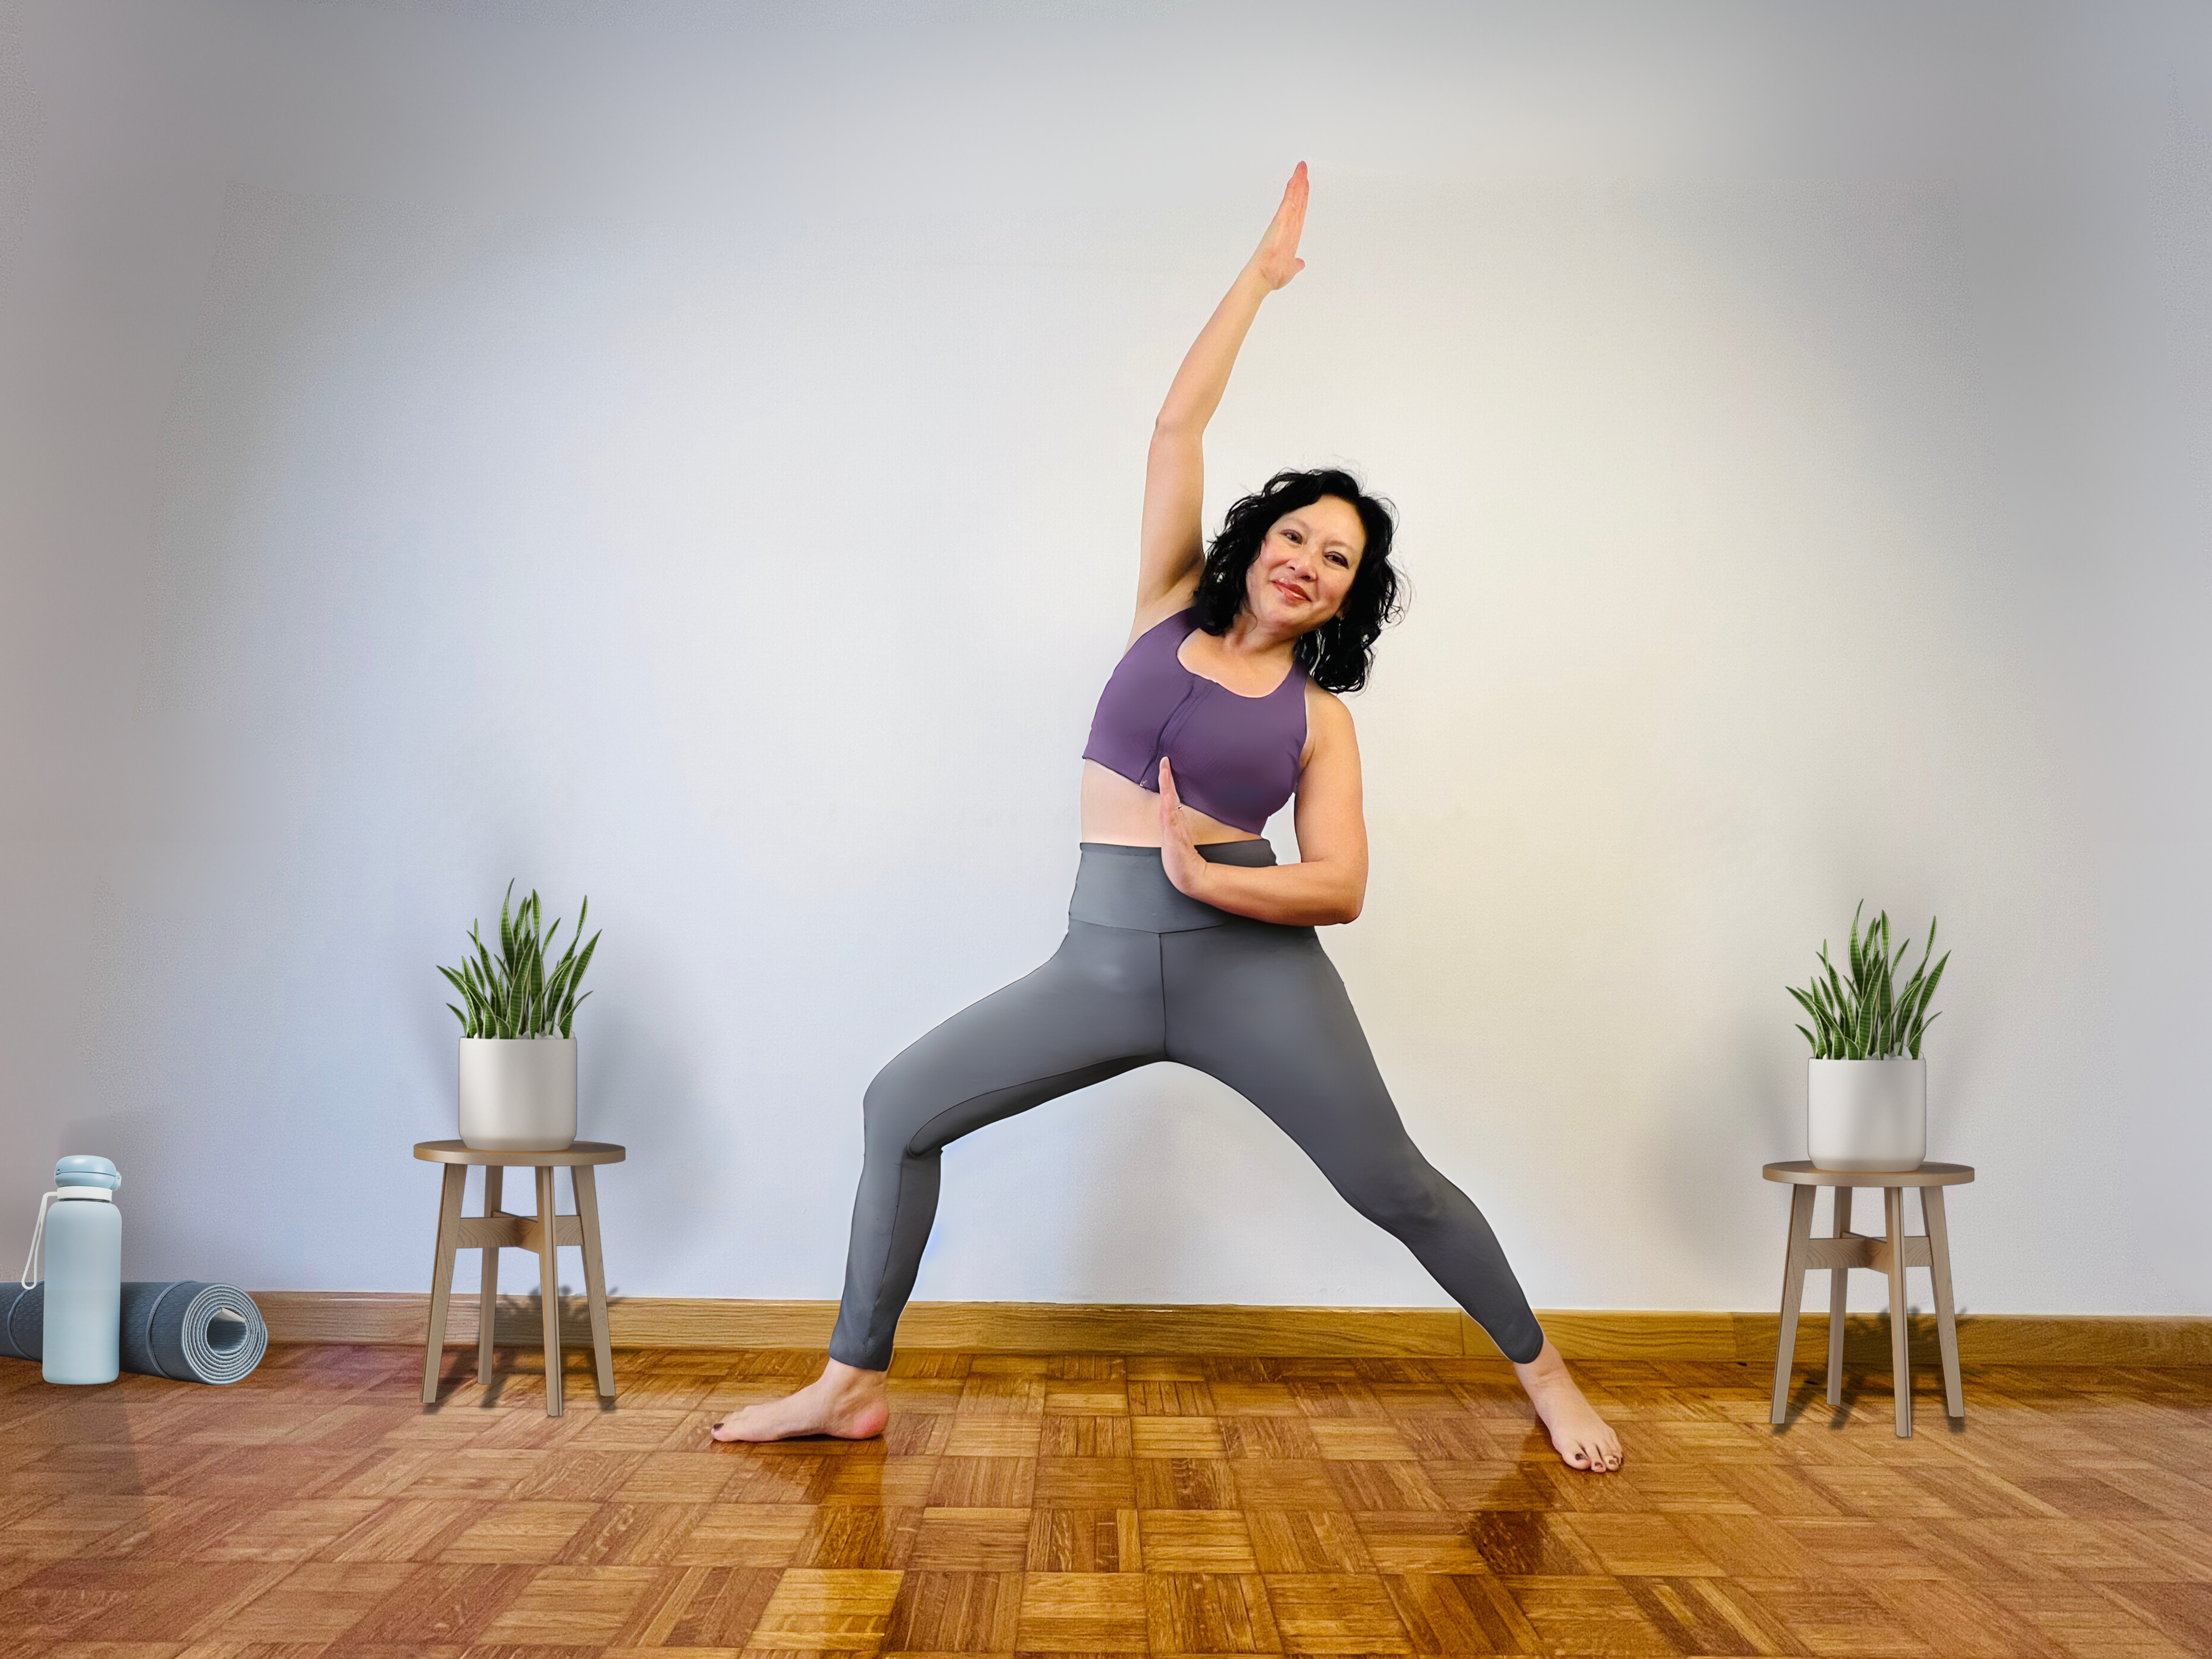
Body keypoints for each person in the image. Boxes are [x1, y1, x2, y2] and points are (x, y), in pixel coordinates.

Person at [712, 163, 1622, 1473]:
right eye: (1298, 536)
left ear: (1347, 599)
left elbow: (1344, 886)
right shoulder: (1165, 603)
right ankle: (850, 1385)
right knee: (898, 1107)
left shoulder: (1323, 721)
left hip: (1248, 974)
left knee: (1395, 1187)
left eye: (1339, 561)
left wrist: (1217, 879)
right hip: (1094, 962)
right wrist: (1257, 282)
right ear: (1260, 539)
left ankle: (1548, 1379)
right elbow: (1175, 431)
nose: (1307, 562)